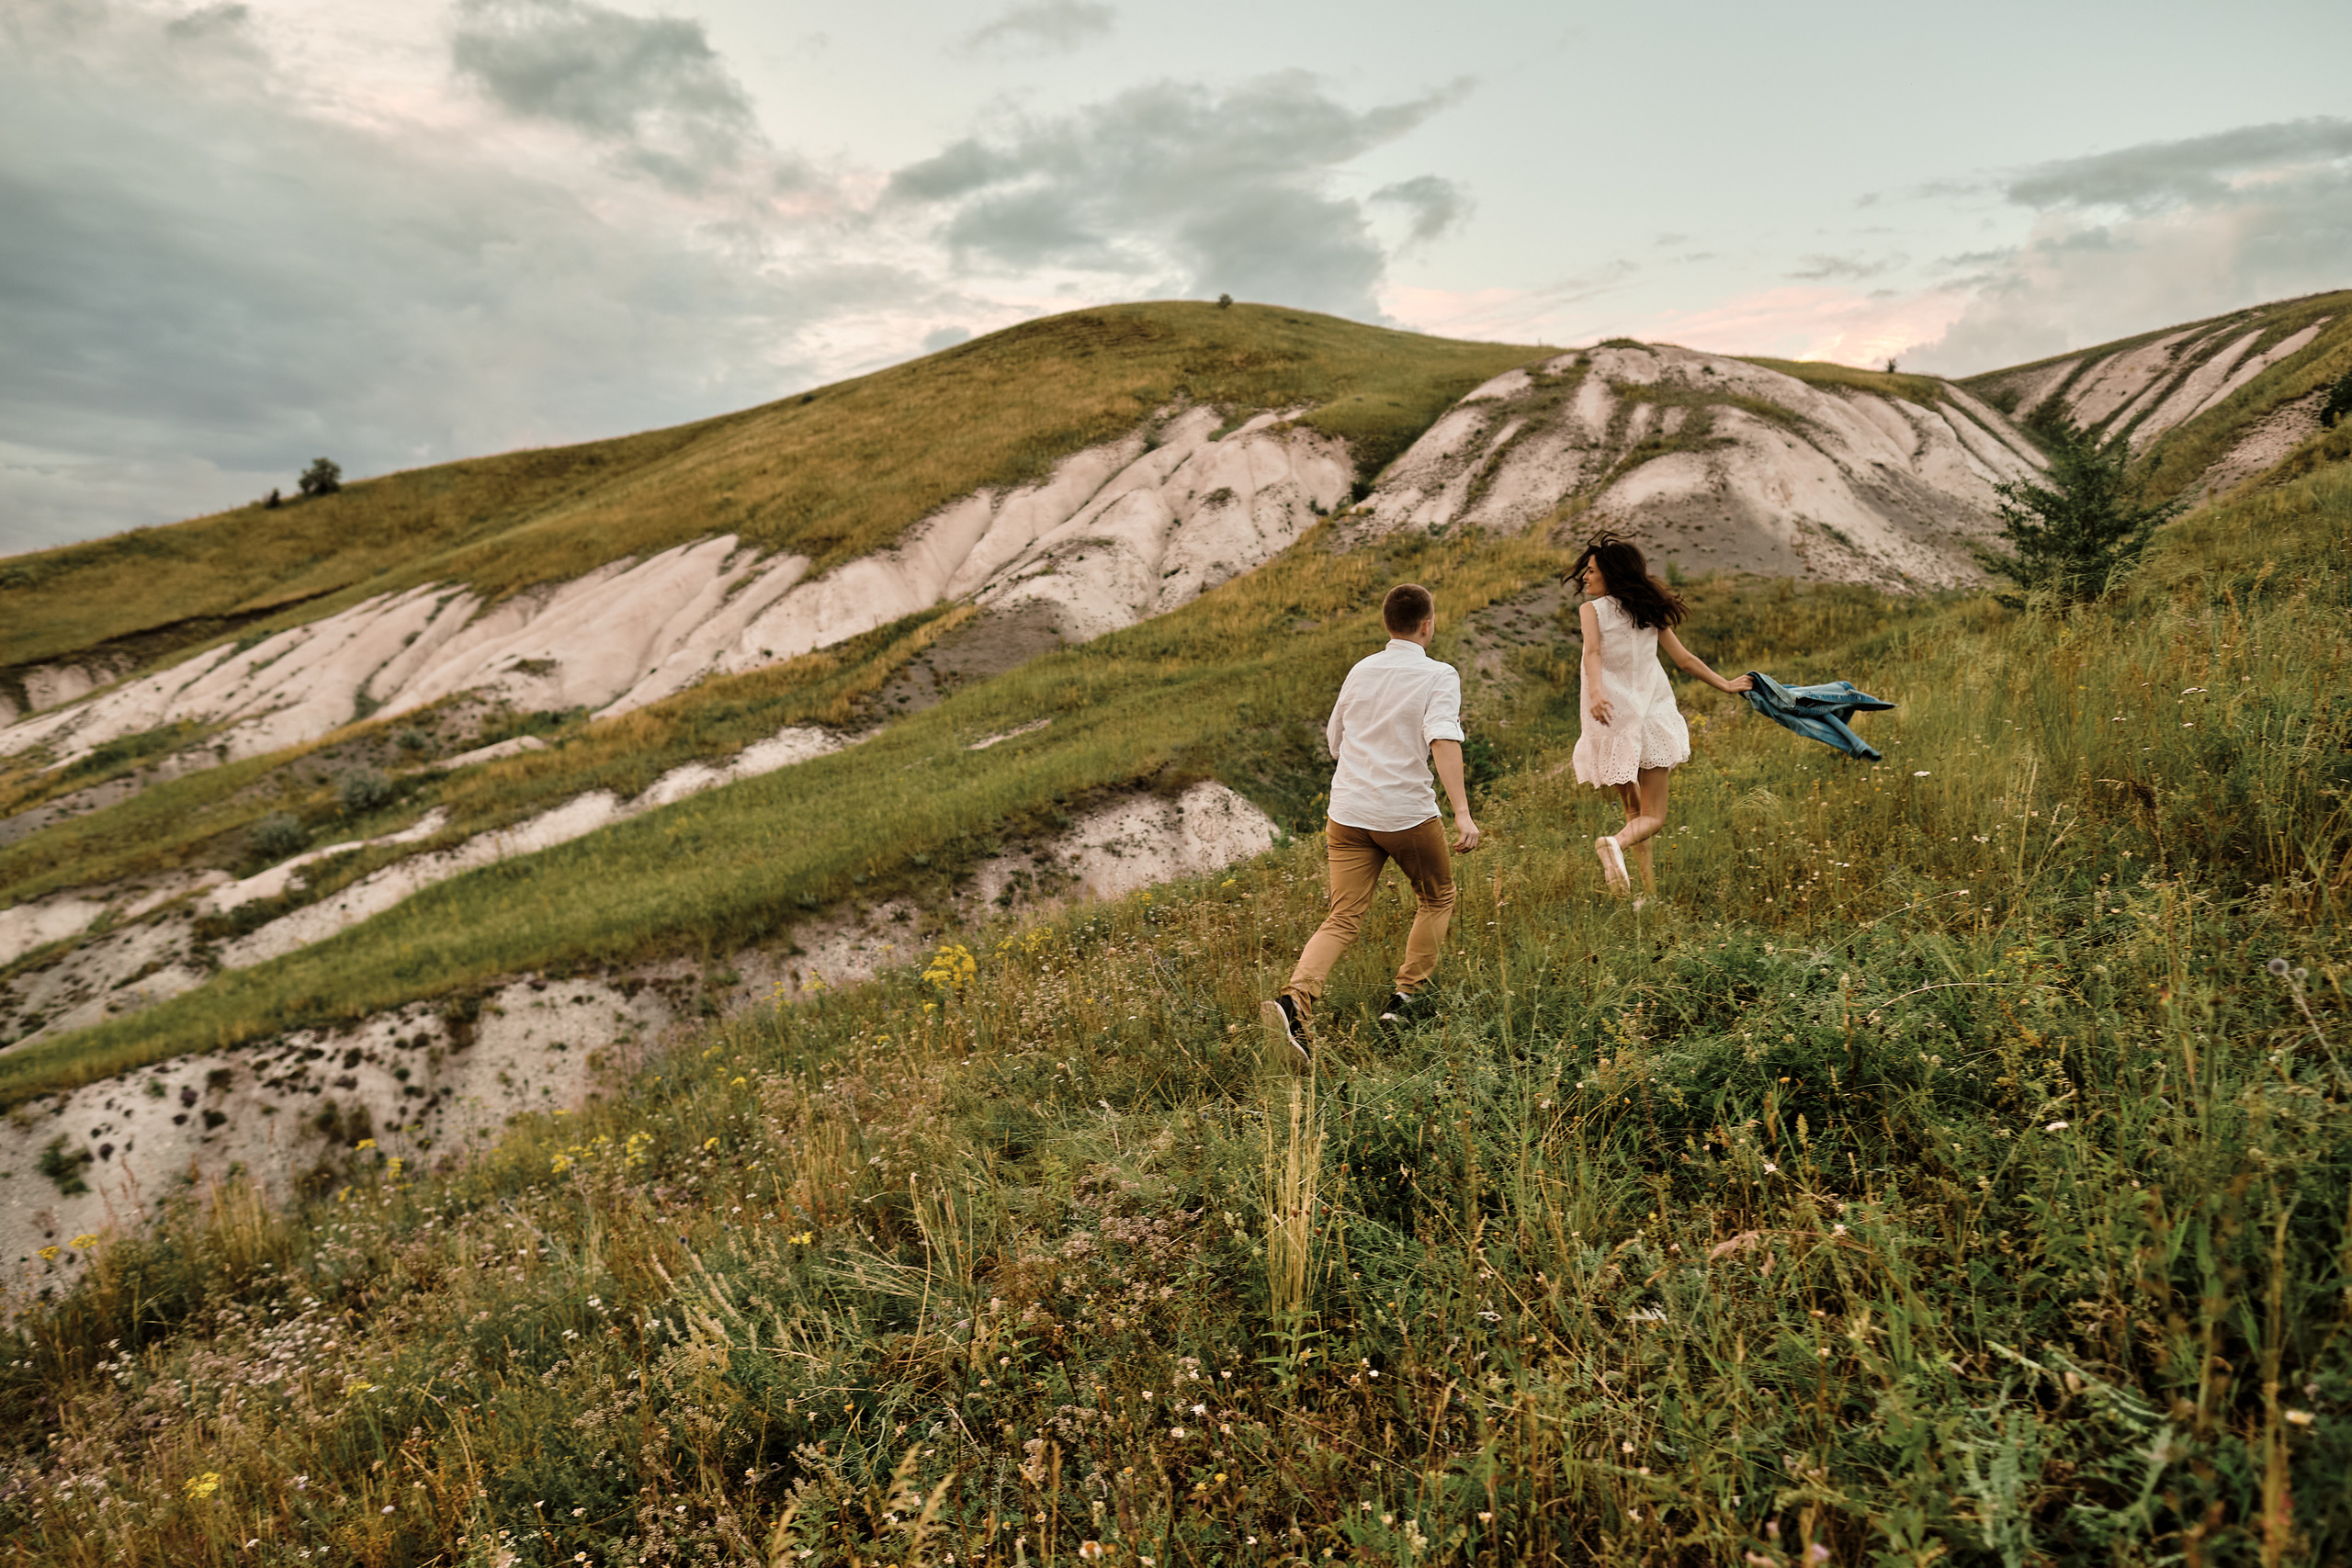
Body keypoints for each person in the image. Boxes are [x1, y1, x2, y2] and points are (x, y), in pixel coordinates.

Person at [1262, 583, 1480, 1064]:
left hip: (1348, 813)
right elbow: (1443, 739)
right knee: (1437, 897)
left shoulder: (1362, 669)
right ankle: (1405, 1001)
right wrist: (1462, 812)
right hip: (1404, 814)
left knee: (1342, 916)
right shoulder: (1439, 674)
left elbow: (1335, 740)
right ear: (1428, 624)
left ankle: (1295, 1002)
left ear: (1387, 625)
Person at [1567, 533, 1751, 899]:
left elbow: (1592, 654)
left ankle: (1645, 892)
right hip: (1648, 715)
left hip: (1610, 717)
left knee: (1634, 811)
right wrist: (1726, 685)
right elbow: (1685, 661)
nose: (1584, 578)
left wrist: (1598, 694)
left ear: (1612, 575)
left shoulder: (1593, 611)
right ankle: (1614, 846)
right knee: (1654, 816)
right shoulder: (1648, 608)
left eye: (1591, 571)